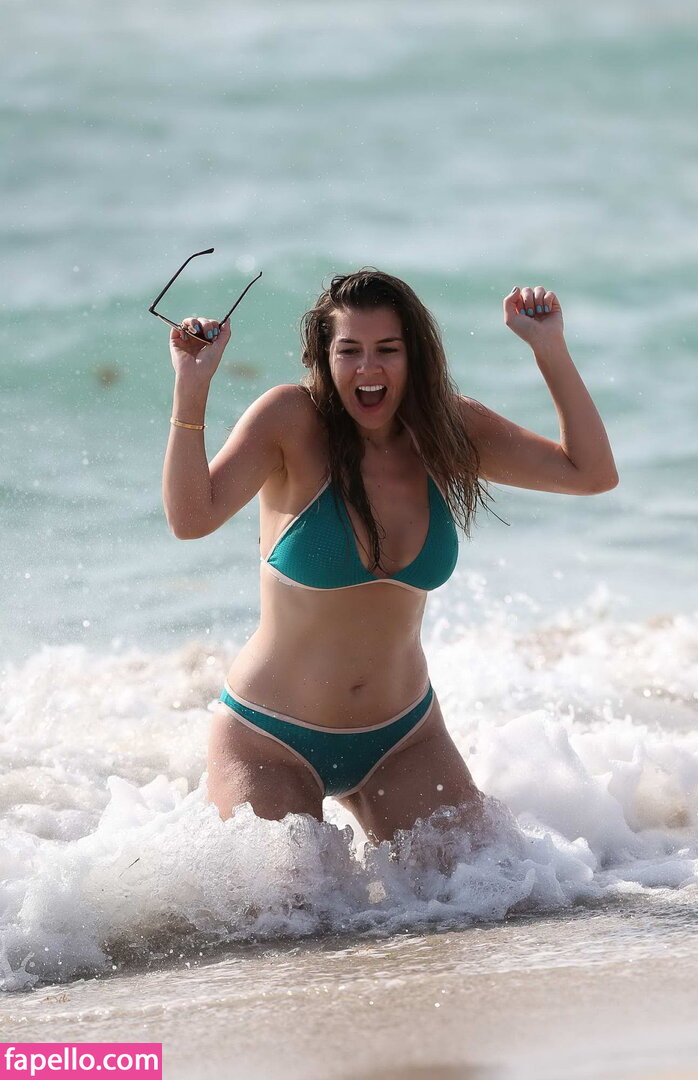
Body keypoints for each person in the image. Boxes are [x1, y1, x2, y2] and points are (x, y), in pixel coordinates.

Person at [162, 270, 618, 843]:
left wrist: (548, 348)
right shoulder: (290, 421)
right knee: (296, 898)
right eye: (349, 350)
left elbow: (591, 474)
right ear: (325, 357)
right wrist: (191, 388)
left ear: (414, 355)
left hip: (403, 738)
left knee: (490, 887)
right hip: (270, 736)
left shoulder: (448, 431)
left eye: (387, 350)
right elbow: (191, 518)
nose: (368, 368)